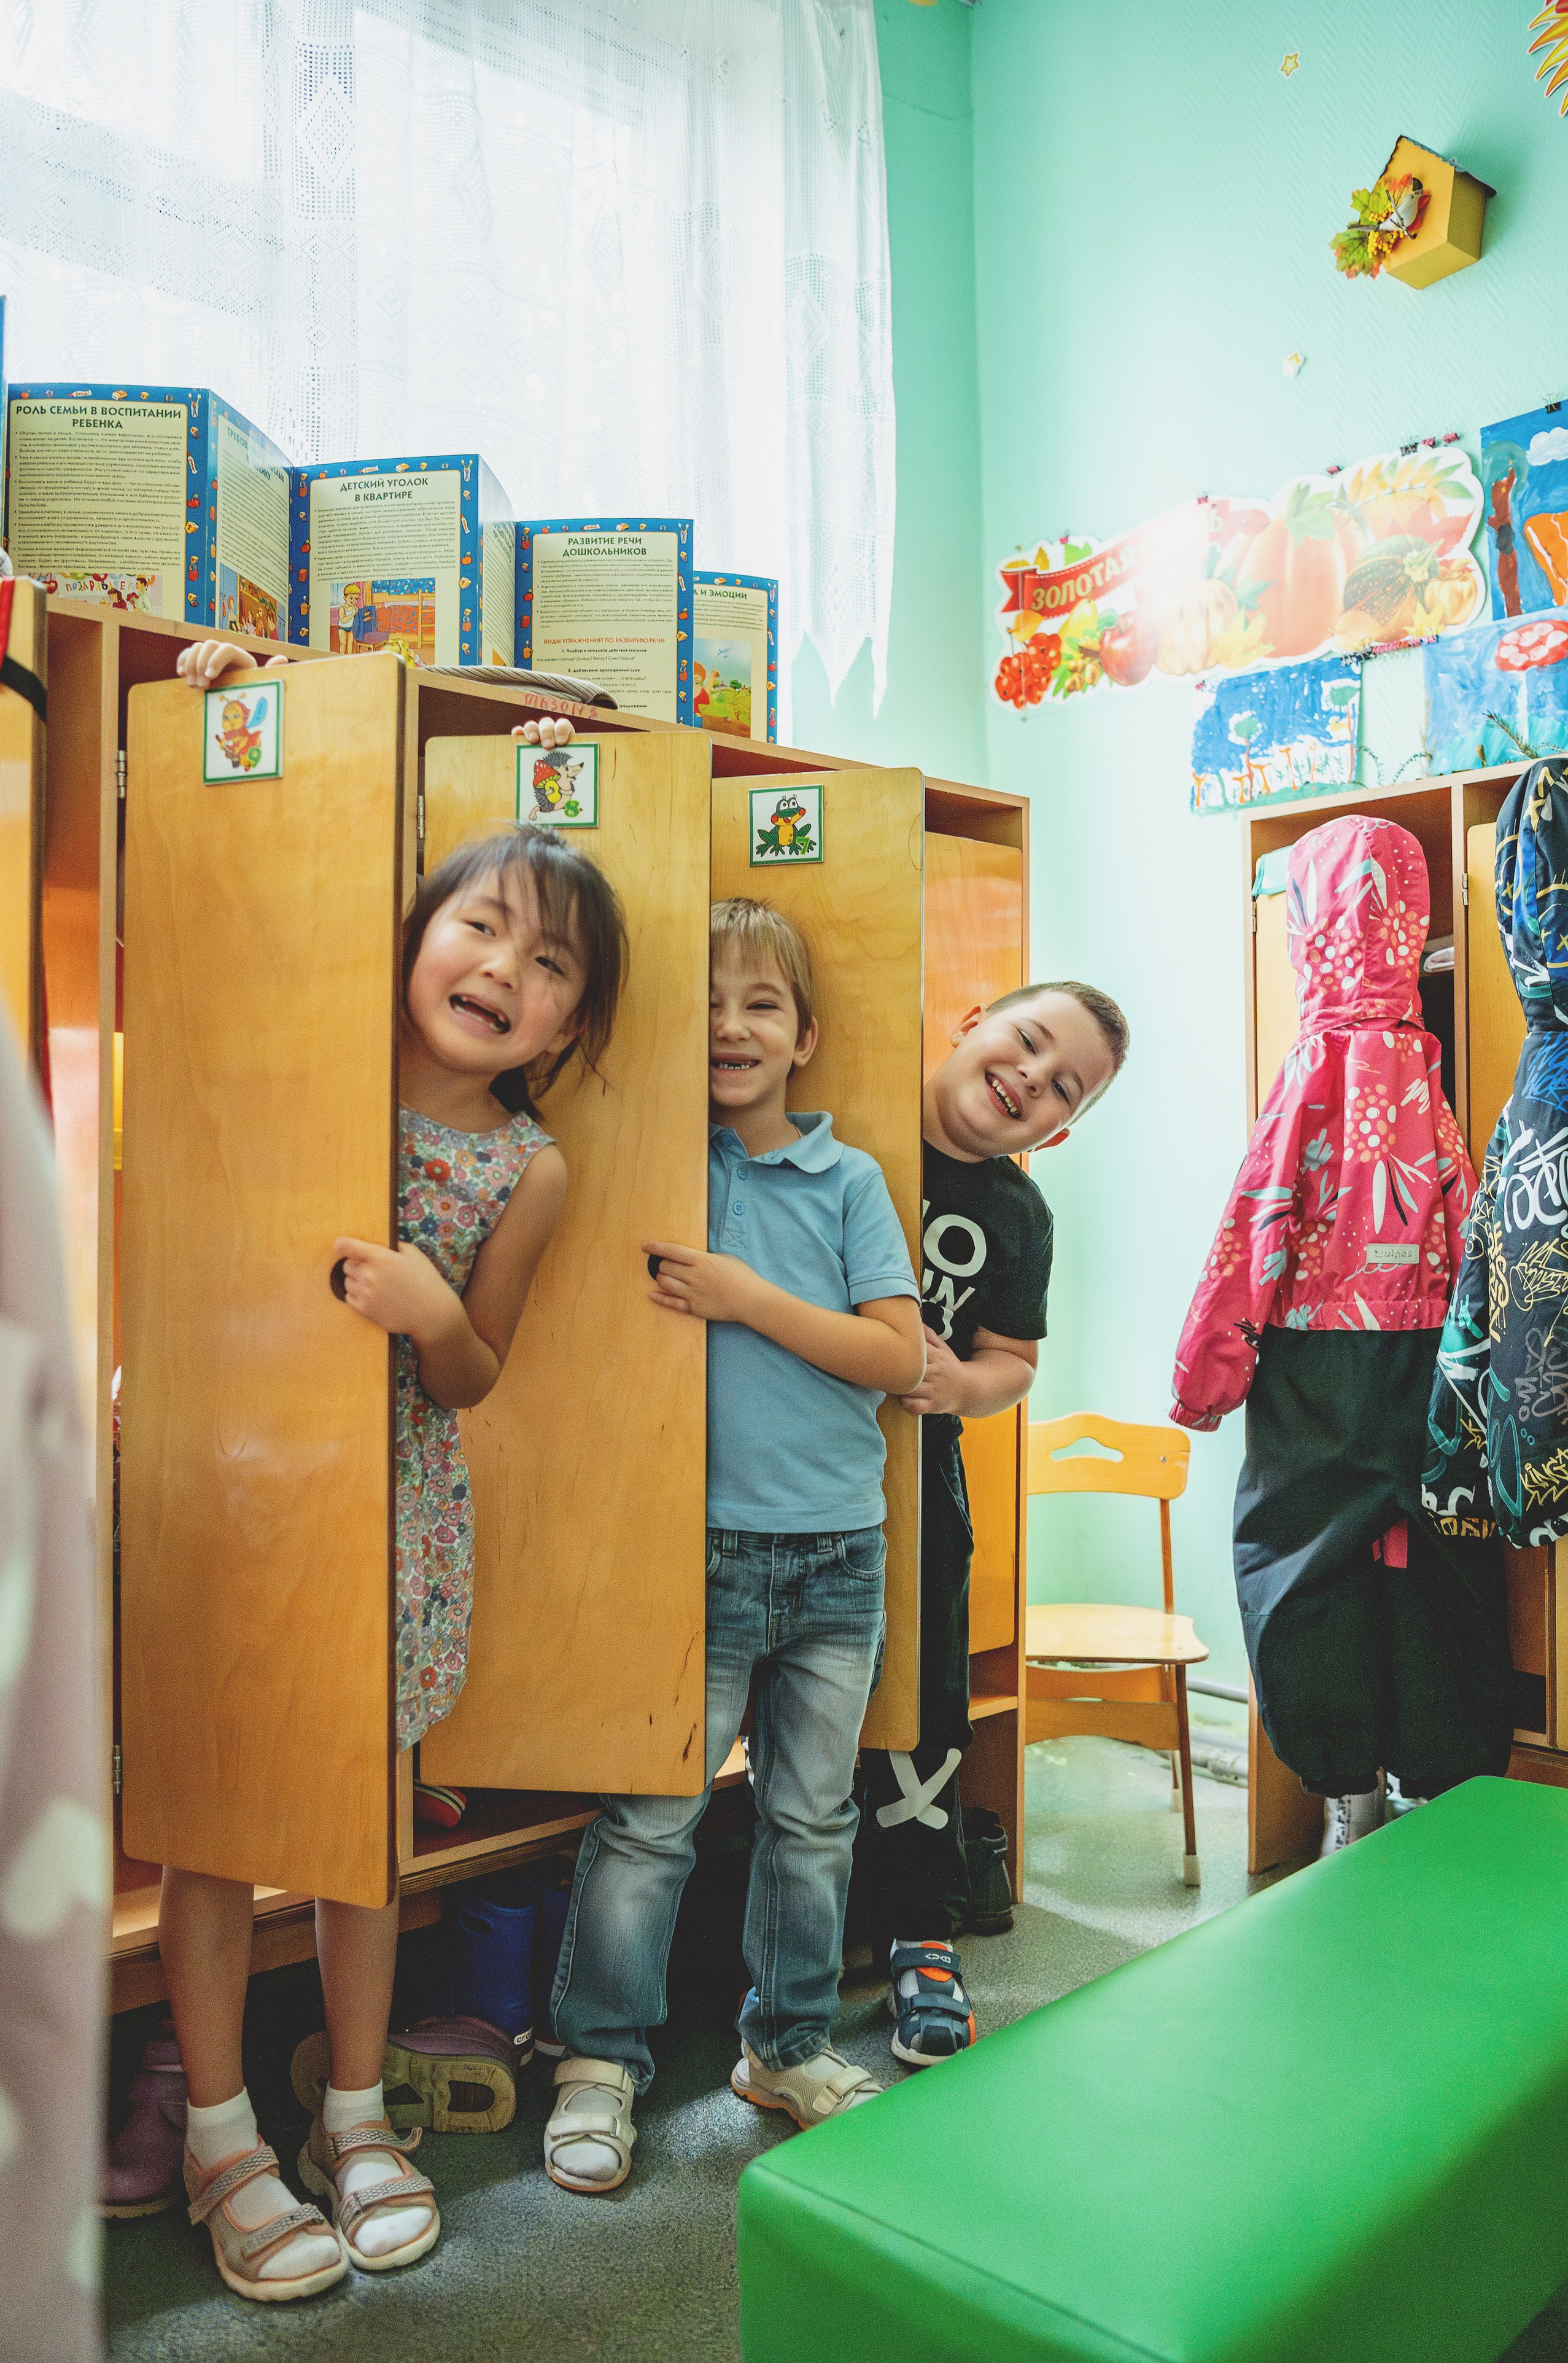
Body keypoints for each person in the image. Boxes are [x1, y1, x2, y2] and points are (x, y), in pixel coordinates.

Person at [155, 640, 624, 2300]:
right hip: (231, 1488)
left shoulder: (531, 1165)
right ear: (415, 934)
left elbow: (480, 1370)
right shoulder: (306, 1054)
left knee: (358, 1837)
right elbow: (263, 857)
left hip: (395, 1511)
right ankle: (218, 2132)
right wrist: (247, 704)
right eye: (479, 922)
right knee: (213, 1826)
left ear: (574, 1019)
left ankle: (356, 2114)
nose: (505, 964)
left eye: (552, 961)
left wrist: (435, 1314)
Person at [542, 897, 926, 2192]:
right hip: (689, 1548)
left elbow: (891, 1355)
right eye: (704, 1002)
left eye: (759, 1003)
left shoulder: (847, 1177)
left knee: (810, 1821)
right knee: (650, 1821)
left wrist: (741, 1295)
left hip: (834, 1555)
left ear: (805, 1035)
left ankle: (785, 2044)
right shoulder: (653, 1160)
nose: (728, 1024)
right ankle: (597, 2062)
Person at [1173, 815, 1510, 1854]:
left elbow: (1256, 1222)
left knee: (1298, 1566)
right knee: (1431, 1565)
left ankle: (1345, 1796)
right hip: (1430, 1359)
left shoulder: (1310, 1068)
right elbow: (1469, 1218)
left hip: (1320, 1358)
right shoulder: (1425, 1066)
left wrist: (1207, 1374)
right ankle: (1425, 1791)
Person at [855, 981, 1127, 2065]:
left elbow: (1013, 1362)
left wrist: (962, 1385)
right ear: (970, 1022)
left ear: (1058, 1129)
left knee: (923, 1705)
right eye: (1027, 1040)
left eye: (1063, 1086)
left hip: (917, 1480)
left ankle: (923, 1934)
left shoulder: (1020, 1215)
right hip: (777, 1476)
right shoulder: (845, 1124)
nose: (1030, 1076)